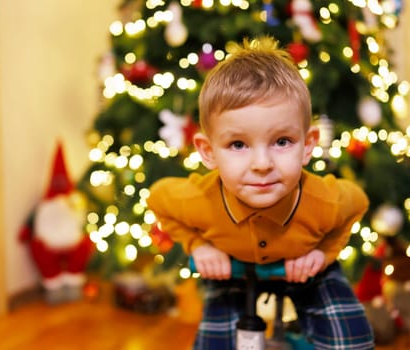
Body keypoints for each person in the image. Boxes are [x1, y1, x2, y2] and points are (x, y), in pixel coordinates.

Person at [147, 36, 374, 349]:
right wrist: (198, 247)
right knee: (216, 341)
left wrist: (323, 254)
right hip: (234, 269)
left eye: (282, 141)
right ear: (208, 152)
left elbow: (357, 204)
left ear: (308, 146)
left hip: (303, 266)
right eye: (238, 145)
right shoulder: (197, 199)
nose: (263, 164)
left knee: (351, 337)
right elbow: (158, 198)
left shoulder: (324, 199)